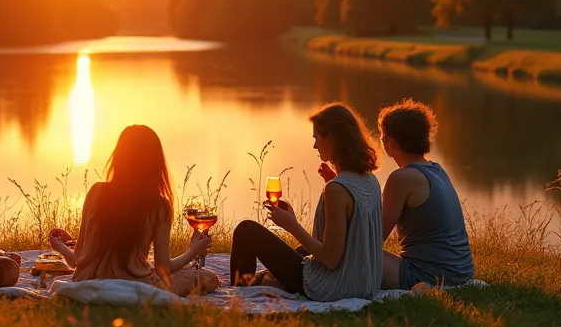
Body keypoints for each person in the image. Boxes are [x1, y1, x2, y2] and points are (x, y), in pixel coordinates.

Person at [229, 103, 383, 301]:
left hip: (335, 287)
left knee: (246, 230)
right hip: (365, 282)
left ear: (331, 140)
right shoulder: (370, 180)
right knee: (301, 252)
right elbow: (351, 230)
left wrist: (292, 225)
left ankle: (241, 296)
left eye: (316, 139)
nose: (314, 146)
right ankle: (268, 278)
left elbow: (330, 259)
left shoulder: (336, 190)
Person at [47, 125, 220, 297]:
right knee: (209, 278)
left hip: (85, 281)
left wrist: (62, 248)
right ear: (155, 162)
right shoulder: (159, 205)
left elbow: (78, 258)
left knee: (147, 267)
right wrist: (193, 250)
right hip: (138, 287)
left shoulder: (96, 192)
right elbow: (163, 268)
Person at [377, 99, 474, 289]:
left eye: (381, 137)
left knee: (353, 253)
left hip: (428, 275)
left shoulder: (401, 178)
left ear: (391, 143)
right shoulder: (437, 170)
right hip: (461, 273)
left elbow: (374, 237)